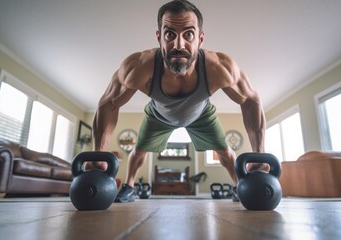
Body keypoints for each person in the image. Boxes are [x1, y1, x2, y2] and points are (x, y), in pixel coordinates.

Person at [89, 0, 266, 203]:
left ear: (200, 39)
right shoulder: (137, 68)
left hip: (202, 114)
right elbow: (109, 103)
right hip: (158, 115)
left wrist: (259, 154)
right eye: (170, 34)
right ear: (159, 38)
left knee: (224, 151)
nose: (179, 45)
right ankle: (129, 187)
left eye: (188, 34)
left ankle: (239, 186)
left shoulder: (219, 68)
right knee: (139, 149)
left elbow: (251, 100)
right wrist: (98, 153)